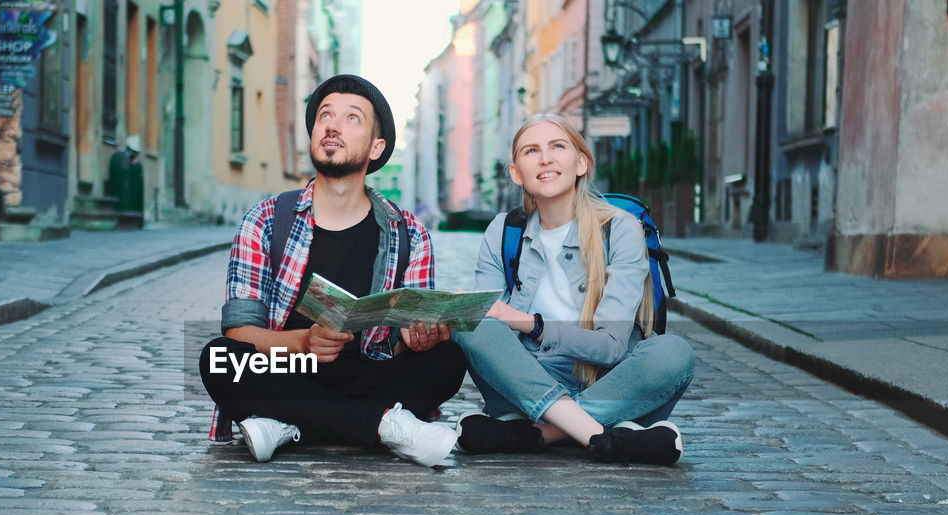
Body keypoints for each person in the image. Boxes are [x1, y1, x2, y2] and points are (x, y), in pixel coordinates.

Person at [199, 74, 465, 467]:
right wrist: (303, 343)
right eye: (325, 115)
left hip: (369, 373)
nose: (333, 126)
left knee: (447, 361)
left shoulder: (409, 232)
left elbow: (402, 341)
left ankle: (290, 423)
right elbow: (239, 331)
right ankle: (387, 427)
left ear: (377, 148)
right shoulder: (267, 219)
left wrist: (420, 337)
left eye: (352, 118)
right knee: (217, 357)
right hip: (288, 367)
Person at [451, 113, 695, 465]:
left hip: (607, 381)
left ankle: (538, 434)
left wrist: (528, 323)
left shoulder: (620, 229)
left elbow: (612, 347)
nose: (546, 158)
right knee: (470, 322)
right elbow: (490, 326)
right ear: (517, 171)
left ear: (581, 162)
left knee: (673, 352)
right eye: (531, 150)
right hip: (525, 381)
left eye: (558, 147)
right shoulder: (504, 231)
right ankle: (608, 437)